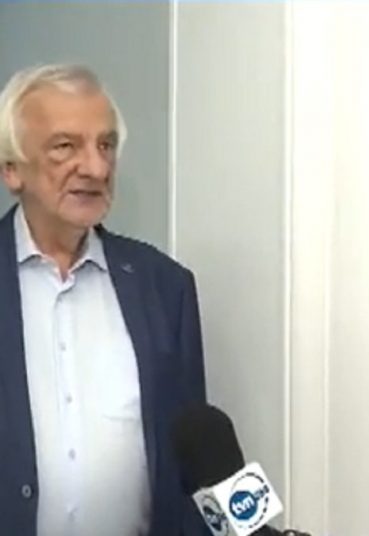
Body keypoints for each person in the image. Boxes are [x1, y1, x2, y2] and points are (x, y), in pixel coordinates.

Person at [0, 64, 208, 535]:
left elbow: (191, 470)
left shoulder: (164, 287)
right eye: (65, 146)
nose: (96, 168)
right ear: (12, 169)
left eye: (106, 145)